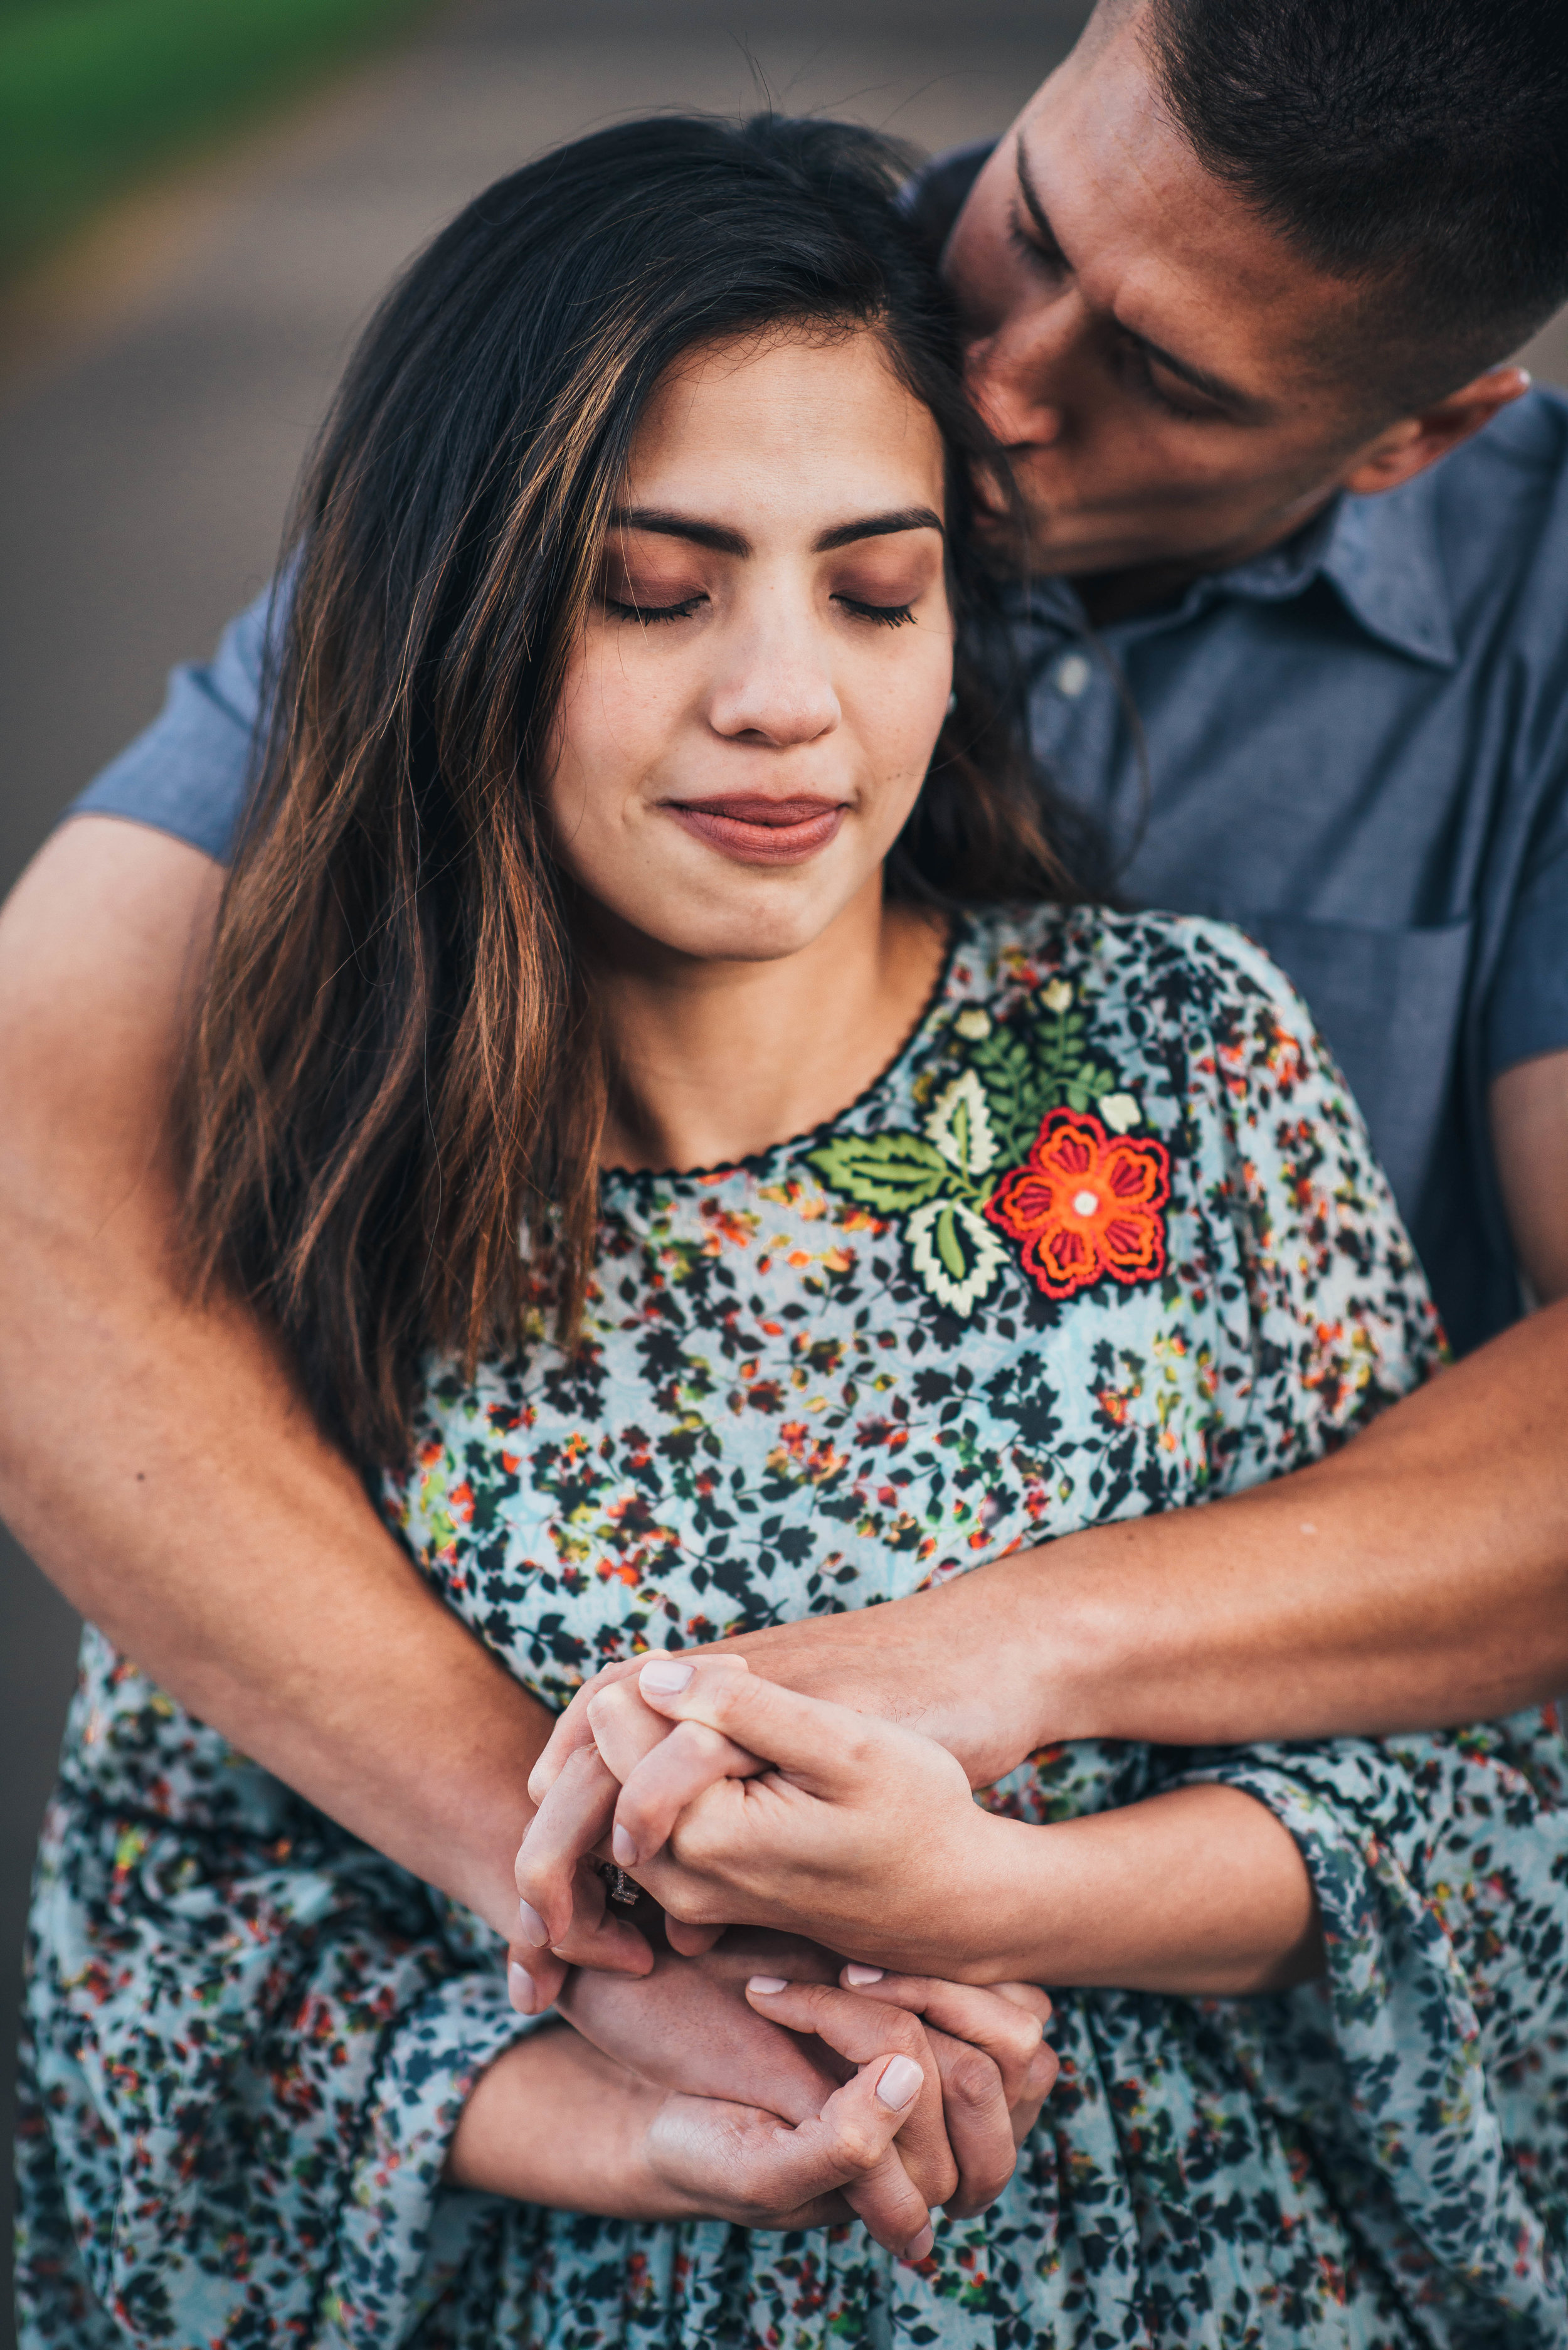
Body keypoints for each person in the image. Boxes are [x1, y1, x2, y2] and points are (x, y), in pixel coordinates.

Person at [19, 113, 1567, 2347]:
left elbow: (1477, 1810)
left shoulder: (1176, 1072)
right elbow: (182, 1922)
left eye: (875, 589)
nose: (782, 695)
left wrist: (1019, 1890)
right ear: (452, 619)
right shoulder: (310, 1190)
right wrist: (638, 2097)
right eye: (653, 592)